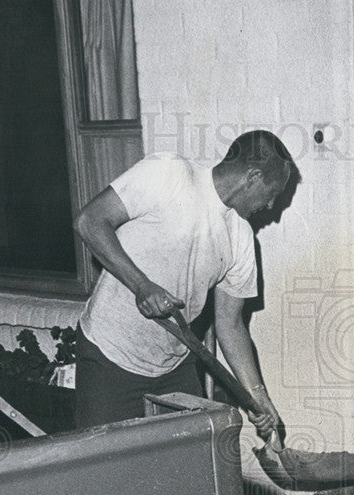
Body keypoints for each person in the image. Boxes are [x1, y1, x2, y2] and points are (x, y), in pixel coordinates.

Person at [73, 129, 296, 434]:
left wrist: (258, 396)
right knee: (106, 470)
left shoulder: (241, 238)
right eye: (272, 195)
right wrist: (141, 285)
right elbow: (90, 221)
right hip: (110, 355)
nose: (271, 208)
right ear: (253, 177)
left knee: (187, 467)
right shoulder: (168, 173)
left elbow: (230, 324)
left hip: (174, 364)